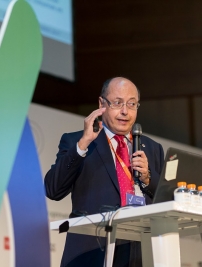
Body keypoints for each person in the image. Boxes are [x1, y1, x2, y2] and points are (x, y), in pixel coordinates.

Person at [44, 77, 164, 267]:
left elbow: (166, 201)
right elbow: (53, 189)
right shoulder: (79, 142)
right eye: (117, 103)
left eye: (131, 104)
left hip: (139, 254)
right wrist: (82, 145)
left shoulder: (152, 148)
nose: (125, 111)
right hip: (91, 253)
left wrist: (148, 178)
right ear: (102, 104)